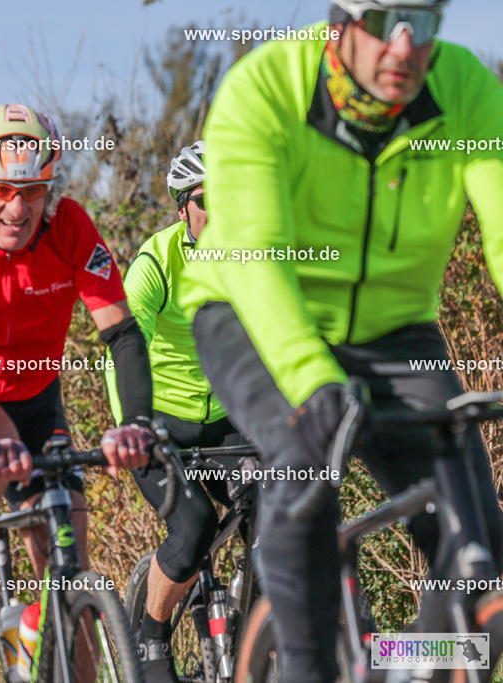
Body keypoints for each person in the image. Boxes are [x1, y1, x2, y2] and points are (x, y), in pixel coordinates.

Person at [178, 1, 503, 680]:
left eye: (425, 22)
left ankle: (411, 660)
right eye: (387, 23)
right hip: (251, 309)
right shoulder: (264, 89)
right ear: (341, 24)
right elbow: (255, 254)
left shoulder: (466, 87)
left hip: (393, 329)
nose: (406, 47)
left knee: (479, 546)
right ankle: (308, 666)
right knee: (304, 459)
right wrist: (312, 381)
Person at [0, 103, 155, 683]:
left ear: (50, 188)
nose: (17, 209)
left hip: (36, 397)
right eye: (1, 191)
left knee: (69, 563)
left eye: (33, 192)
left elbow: (122, 335)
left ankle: (47, 636)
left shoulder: (70, 227)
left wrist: (136, 421)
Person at [105, 142, 249, 683]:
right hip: (159, 421)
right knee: (192, 529)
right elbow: (122, 347)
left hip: (226, 417)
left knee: (280, 503)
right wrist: (132, 425)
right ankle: (151, 635)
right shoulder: (155, 264)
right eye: (209, 199)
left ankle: (250, 619)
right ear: (183, 207)